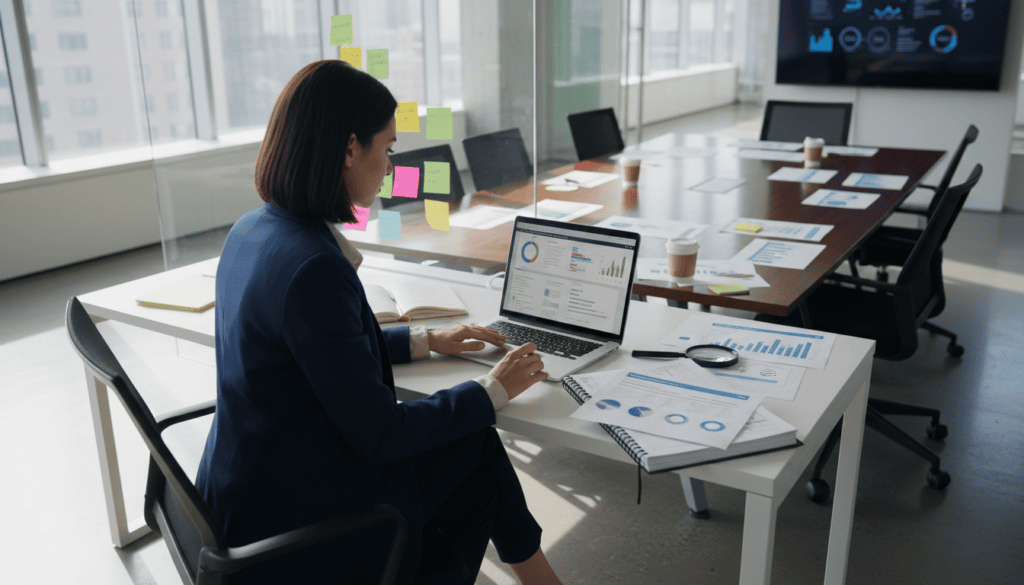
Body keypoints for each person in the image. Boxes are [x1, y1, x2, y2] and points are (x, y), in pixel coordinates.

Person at [194, 60, 563, 585]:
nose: (390, 166)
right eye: (387, 148)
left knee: (474, 459)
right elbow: (382, 435)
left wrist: (427, 339)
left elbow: (317, 351)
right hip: (293, 518)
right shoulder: (314, 266)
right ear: (349, 148)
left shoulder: (255, 229)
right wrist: (493, 389)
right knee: (477, 441)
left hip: (246, 489)